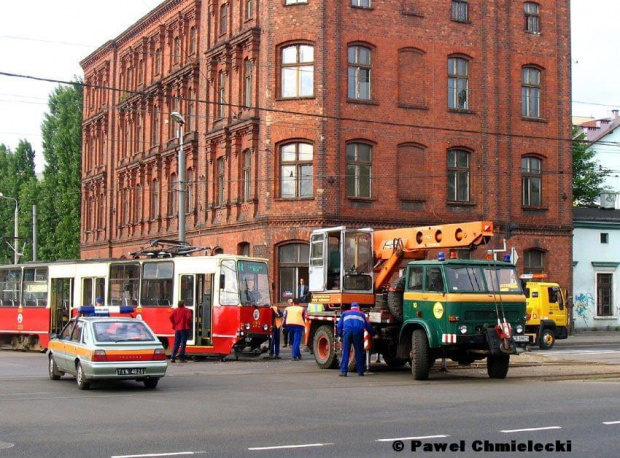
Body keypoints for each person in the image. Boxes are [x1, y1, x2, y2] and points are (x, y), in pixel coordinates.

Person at [336, 302, 375, 377]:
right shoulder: (362, 314)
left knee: (346, 352)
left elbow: (339, 325)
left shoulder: (345, 313)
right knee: (358, 352)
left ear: (351, 307)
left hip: (347, 333)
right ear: (358, 307)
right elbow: (367, 326)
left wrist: (340, 335)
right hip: (358, 334)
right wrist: (373, 334)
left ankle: (344, 372)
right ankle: (360, 371)